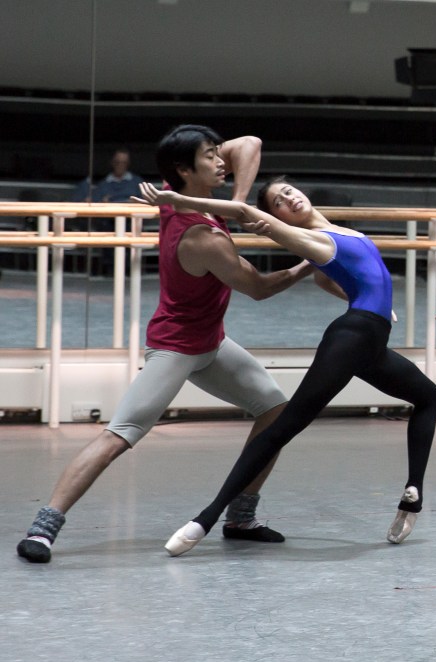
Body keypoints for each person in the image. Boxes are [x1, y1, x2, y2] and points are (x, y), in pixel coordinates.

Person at [17, 125, 309, 564]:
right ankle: (43, 528)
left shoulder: (183, 198)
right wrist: (315, 260)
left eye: (216, 153)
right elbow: (261, 289)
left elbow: (250, 144)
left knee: (274, 409)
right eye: (210, 157)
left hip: (212, 342)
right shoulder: (201, 234)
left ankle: (240, 518)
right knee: (121, 434)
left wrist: (236, 203)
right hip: (175, 349)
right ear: (183, 170)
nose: (220, 162)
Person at [131, 175, 436, 556]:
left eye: (290, 190)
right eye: (279, 202)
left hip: (370, 339)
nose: (290, 198)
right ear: (276, 217)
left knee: (429, 396)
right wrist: (177, 199)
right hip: (353, 337)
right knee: (286, 425)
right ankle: (205, 519)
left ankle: (413, 496)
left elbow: (326, 280)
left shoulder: (335, 233)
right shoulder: (310, 238)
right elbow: (244, 208)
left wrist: (366, 297)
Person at [72, 147, 144, 203]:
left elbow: (146, 203)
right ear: (112, 163)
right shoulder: (103, 184)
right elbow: (95, 202)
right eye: (117, 162)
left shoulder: (137, 182)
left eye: (124, 163)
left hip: (133, 218)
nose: (120, 165)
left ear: (128, 164)